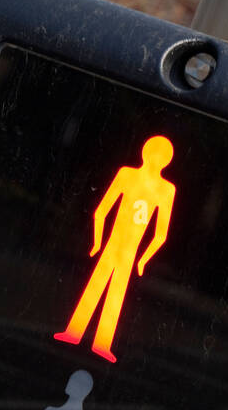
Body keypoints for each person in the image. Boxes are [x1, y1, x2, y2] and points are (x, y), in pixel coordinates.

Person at [54, 135, 176, 363]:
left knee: (108, 291)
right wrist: (139, 257)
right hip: (122, 246)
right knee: (108, 290)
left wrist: (140, 258)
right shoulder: (147, 182)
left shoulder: (143, 181)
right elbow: (104, 211)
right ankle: (87, 337)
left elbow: (159, 233)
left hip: (122, 246)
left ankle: (87, 337)